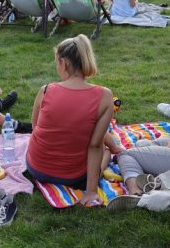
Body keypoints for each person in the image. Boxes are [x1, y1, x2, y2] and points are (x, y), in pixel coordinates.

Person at [26, 35, 114, 206]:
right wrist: (91, 192)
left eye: (56, 63)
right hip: (75, 177)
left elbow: (35, 126)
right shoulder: (105, 96)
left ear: (64, 63)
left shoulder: (45, 90)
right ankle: (102, 168)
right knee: (105, 151)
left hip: (36, 169)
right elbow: (95, 146)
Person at [108, 86, 170, 210]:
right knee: (147, 144)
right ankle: (150, 170)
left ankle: (137, 192)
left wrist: (167, 148)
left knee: (127, 155)